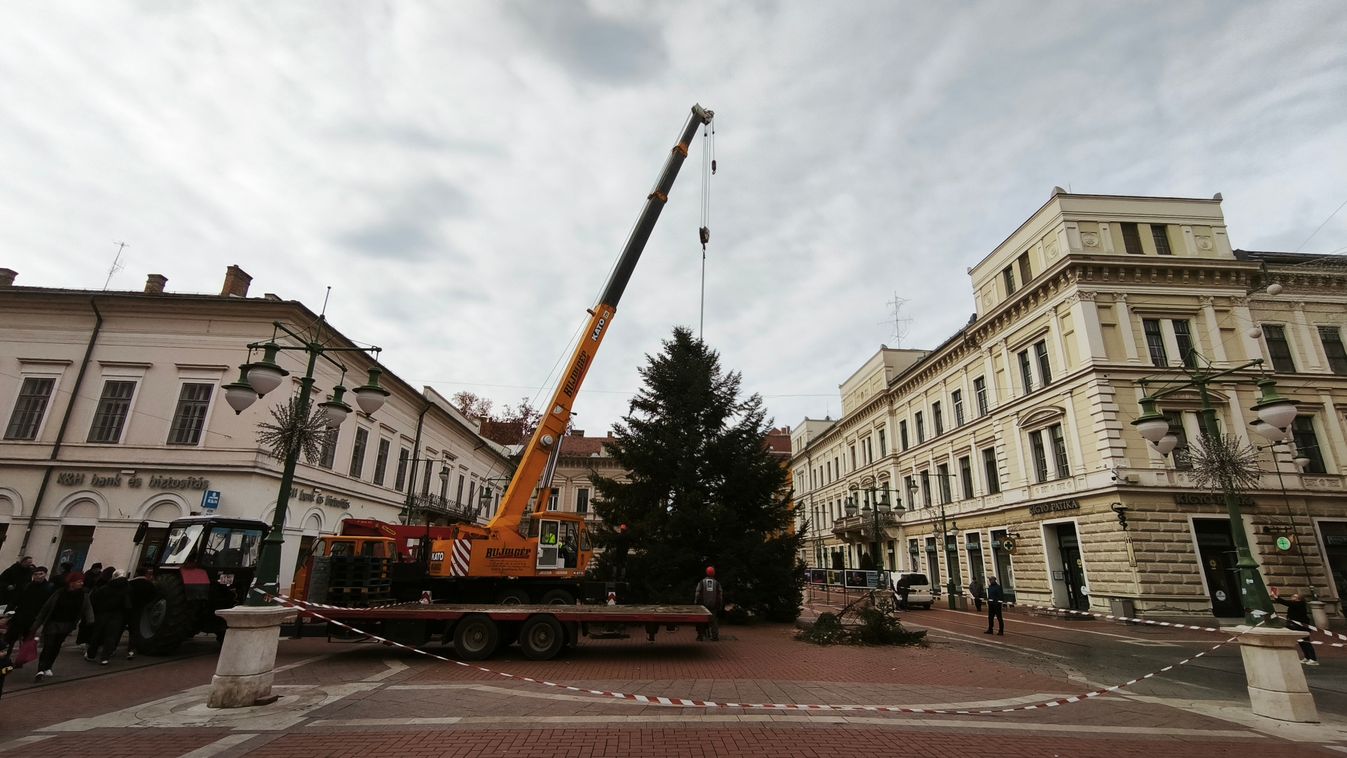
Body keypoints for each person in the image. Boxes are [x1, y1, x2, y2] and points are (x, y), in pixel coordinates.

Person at [32, 571, 94, 681]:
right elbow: (46, 608)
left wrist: (90, 620)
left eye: (82, 582)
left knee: (56, 646)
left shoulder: (83, 595)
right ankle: (40, 669)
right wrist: (37, 624)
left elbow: (88, 608)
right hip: (53, 623)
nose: (81, 584)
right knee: (48, 646)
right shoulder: (59, 593)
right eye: (79, 581)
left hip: (67, 624)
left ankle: (48, 666)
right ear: (71, 583)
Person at [3, 566, 54, 655]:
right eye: (35, 574)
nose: (38, 576)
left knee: (27, 642)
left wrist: (43, 621)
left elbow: (49, 607)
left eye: (40, 574)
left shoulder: (49, 589)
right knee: (9, 639)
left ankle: (21, 660)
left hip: (34, 619)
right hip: (19, 616)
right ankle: (5, 659)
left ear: (45, 574)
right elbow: (16, 599)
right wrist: (7, 612)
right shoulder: (27, 586)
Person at [89, 569, 130, 665]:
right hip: (118, 615)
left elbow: (95, 599)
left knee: (97, 634)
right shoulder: (128, 589)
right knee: (111, 636)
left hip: (103, 613)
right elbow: (128, 605)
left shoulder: (106, 587)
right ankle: (105, 657)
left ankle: (91, 654)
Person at [1271, 586, 1318, 666]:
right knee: (1302, 642)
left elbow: (1285, 603)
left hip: (1302, 626)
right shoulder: (1295, 604)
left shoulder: (1299, 604)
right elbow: (1287, 603)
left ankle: (1313, 659)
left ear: (1299, 599)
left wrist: (1276, 597)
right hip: (1297, 625)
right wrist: (1277, 597)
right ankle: (1307, 657)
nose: (1292, 597)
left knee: (1306, 642)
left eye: (1295, 596)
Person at [126, 569, 156, 659]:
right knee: (134, 630)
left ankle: (111, 649)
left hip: (127, 608)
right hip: (140, 609)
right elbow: (154, 596)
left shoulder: (130, 583)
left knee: (119, 628)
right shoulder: (149, 585)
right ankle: (130, 650)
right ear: (146, 574)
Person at [694, 566, 724, 642]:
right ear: (713, 573)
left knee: (701, 620)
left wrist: (696, 602)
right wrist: (720, 604)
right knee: (713, 621)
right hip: (713, 605)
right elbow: (720, 595)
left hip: (703, 605)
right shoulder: (717, 583)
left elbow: (697, 593)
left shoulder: (701, 582)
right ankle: (715, 637)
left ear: (706, 572)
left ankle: (700, 636)